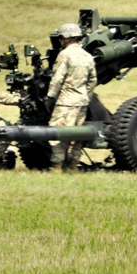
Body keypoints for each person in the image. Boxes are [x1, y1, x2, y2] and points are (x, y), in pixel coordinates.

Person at [45, 23, 97, 171]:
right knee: (77, 136)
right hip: (82, 102)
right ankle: (73, 167)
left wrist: (50, 97)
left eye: (60, 38)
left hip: (65, 102)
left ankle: (57, 168)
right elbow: (92, 80)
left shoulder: (65, 55)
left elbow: (57, 79)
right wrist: (85, 96)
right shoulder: (87, 56)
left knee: (57, 134)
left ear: (66, 39)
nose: (60, 41)